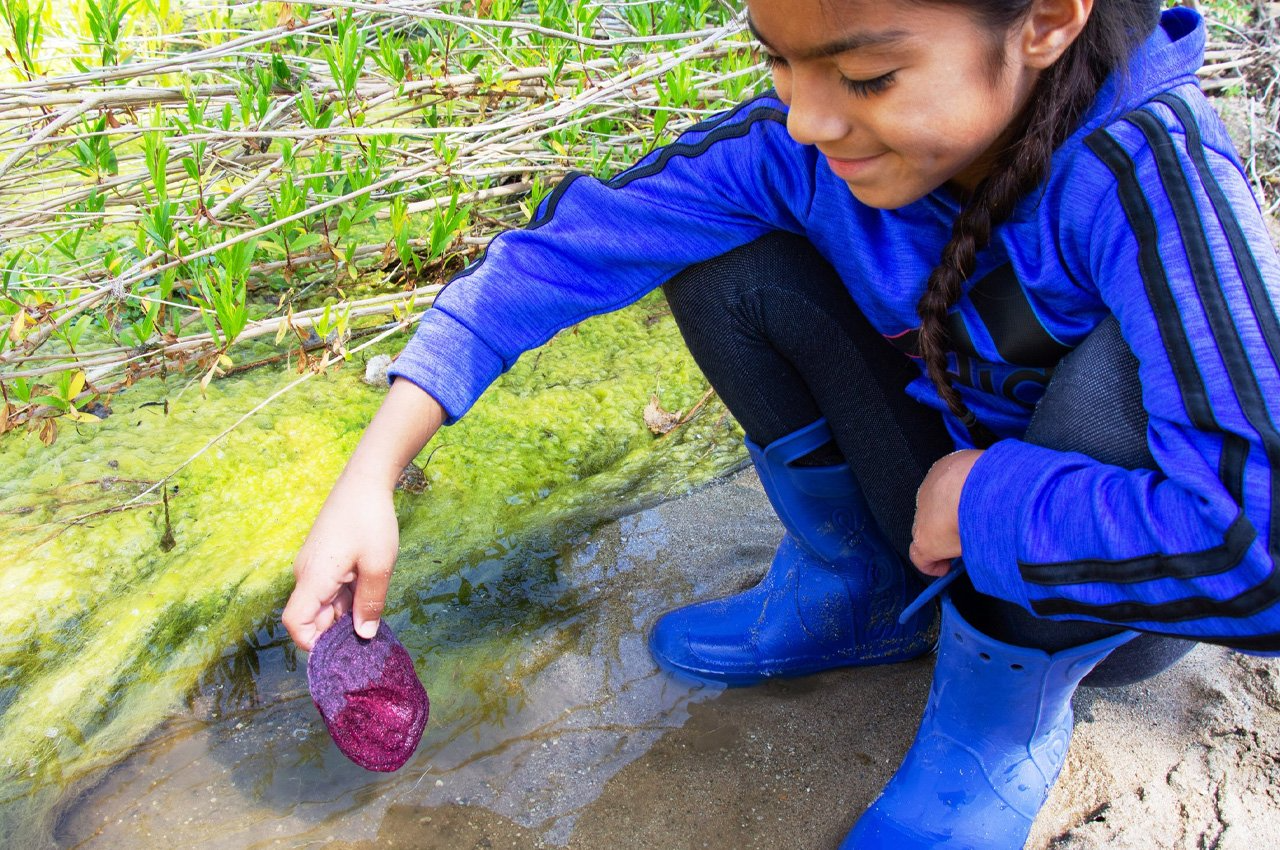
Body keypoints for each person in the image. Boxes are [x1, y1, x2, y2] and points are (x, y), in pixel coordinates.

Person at [284, 0, 1280, 846]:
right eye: (777, 59)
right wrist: (370, 475)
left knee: (1115, 374)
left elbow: (1261, 548)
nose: (805, 119)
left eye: (867, 76)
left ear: (1046, 22)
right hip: (928, 521)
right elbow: (570, 248)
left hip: (1105, 593)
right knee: (724, 264)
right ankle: (853, 589)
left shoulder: (1152, 176)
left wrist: (986, 500)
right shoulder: (799, 148)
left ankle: (993, 717)